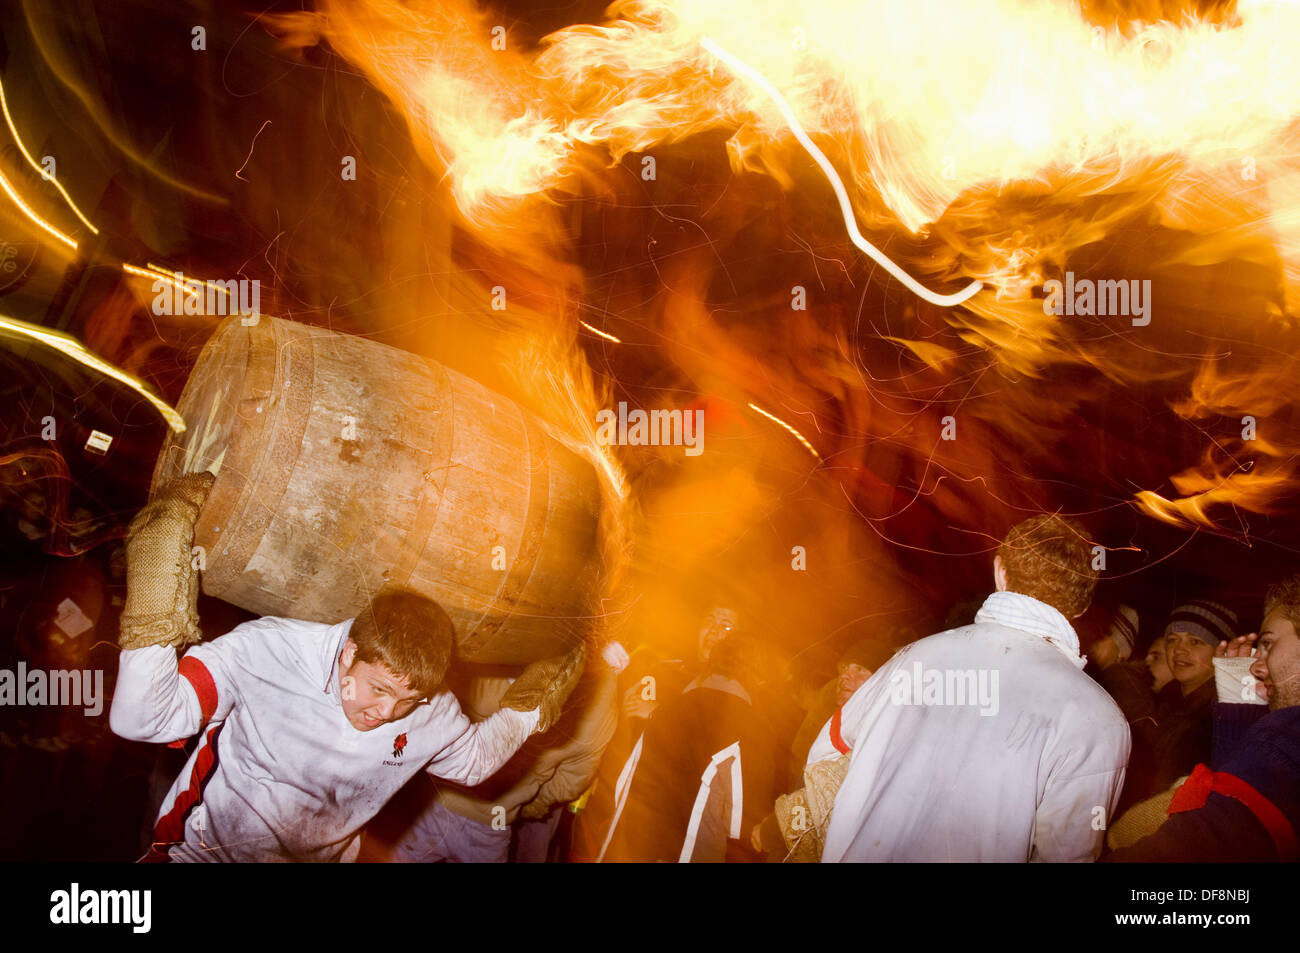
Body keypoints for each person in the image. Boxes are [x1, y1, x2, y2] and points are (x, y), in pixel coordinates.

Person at [110, 473, 583, 861]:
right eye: (379, 689)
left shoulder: (430, 709)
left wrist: (531, 706)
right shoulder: (268, 653)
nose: (387, 713)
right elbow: (144, 718)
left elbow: (473, 761)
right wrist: (154, 601)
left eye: (409, 701)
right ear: (348, 652)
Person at [809, 514, 1130, 862]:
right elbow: (1066, 855)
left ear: (999, 572)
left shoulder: (912, 659)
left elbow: (825, 758)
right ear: (1084, 604)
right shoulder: (1099, 720)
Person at [1106, 576, 1300, 862]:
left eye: (1269, 644)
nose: (1256, 666)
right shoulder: (1169, 704)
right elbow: (1230, 797)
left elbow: (1212, 834)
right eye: (1172, 639)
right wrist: (1237, 709)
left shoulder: (1282, 737)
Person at [597, 627, 780, 862]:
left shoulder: (666, 709)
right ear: (760, 677)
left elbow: (622, 780)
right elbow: (742, 824)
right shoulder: (755, 730)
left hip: (632, 847)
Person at [1149, 600, 1237, 793]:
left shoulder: (1223, 716)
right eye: (1172, 640)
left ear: (1221, 652)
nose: (1179, 650)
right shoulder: (1164, 698)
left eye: (1195, 641)